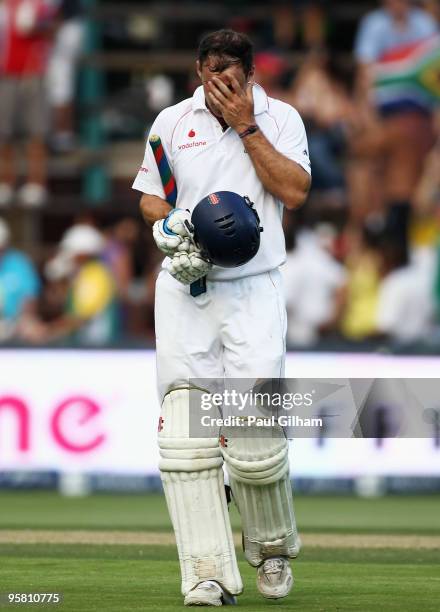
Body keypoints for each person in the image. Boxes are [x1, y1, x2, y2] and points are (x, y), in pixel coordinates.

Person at [133, 29, 311, 606]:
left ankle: (273, 551)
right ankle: (207, 573)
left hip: (253, 290)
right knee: (186, 439)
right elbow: (151, 194)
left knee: (256, 431)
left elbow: (295, 190)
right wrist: (167, 225)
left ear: (251, 75)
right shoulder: (169, 122)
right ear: (198, 71)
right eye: (212, 78)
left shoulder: (279, 118)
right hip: (186, 289)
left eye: (232, 79)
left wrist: (245, 124)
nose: (221, 89)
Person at [353, 0, 438, 262]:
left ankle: (395, 228)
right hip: (383, 117)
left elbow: (433, 68)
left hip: (418, 118)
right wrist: (368, 118)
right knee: (365, 159)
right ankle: (377, 228)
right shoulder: (373, 24)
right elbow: (366, 75)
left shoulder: (425, 24)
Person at [0, 0, 58, 207]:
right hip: (5, 75)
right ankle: (6, 183)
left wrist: (38, 26)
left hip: (32, 75)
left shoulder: (38, 4)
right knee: (4, 134)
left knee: (36, 133)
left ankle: (36, 184)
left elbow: (52, 30)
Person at [0, 217, 40, 340]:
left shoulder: (20, 263)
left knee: (31, 329)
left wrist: (24, 320)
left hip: (13, 325)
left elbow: (29, 298)